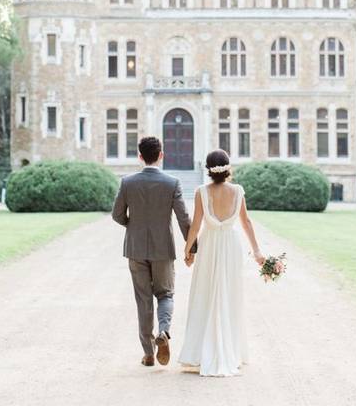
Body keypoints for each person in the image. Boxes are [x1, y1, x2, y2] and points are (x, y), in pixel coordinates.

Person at [178, 148, 265, 377]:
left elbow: (195, 226)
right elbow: (246, 222)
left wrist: (188, 250)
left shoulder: (201, 192)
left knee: (205, 294)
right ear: (228, 168)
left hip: (209, 245)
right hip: (231, 245)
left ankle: (200, 351)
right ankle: (230, 349)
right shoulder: (237, 191)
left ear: (208, 169)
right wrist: (257, 251)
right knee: (229, 295)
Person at [112, 136, 195, 367]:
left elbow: (117, 215)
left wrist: (133, 225)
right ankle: (164, 332)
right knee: (165, 294)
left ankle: (148, 353)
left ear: (140, 156)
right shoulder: (172, 183)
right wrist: (192, 246)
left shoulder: (127, 182)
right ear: (161, 155)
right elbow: (183, 218)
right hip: (163, 249)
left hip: (135, 248)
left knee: (143, 299)